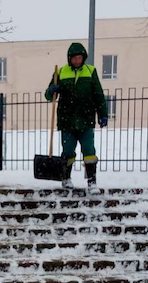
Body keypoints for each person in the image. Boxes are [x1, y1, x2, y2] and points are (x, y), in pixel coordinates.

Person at [45, 42, 108, 192]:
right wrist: (52, 90)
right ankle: (66, 178)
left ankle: (92, 181)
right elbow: (48, 96)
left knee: (89, 151)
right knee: (67, 151)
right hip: (67, 120)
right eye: (74, 58)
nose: (77, 61)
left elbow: (98, 95)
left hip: (86, 120)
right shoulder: (60, 72)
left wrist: (103, 114)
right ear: (69, 58)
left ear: (83, 58)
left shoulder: (90, 71)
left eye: (79, 58)